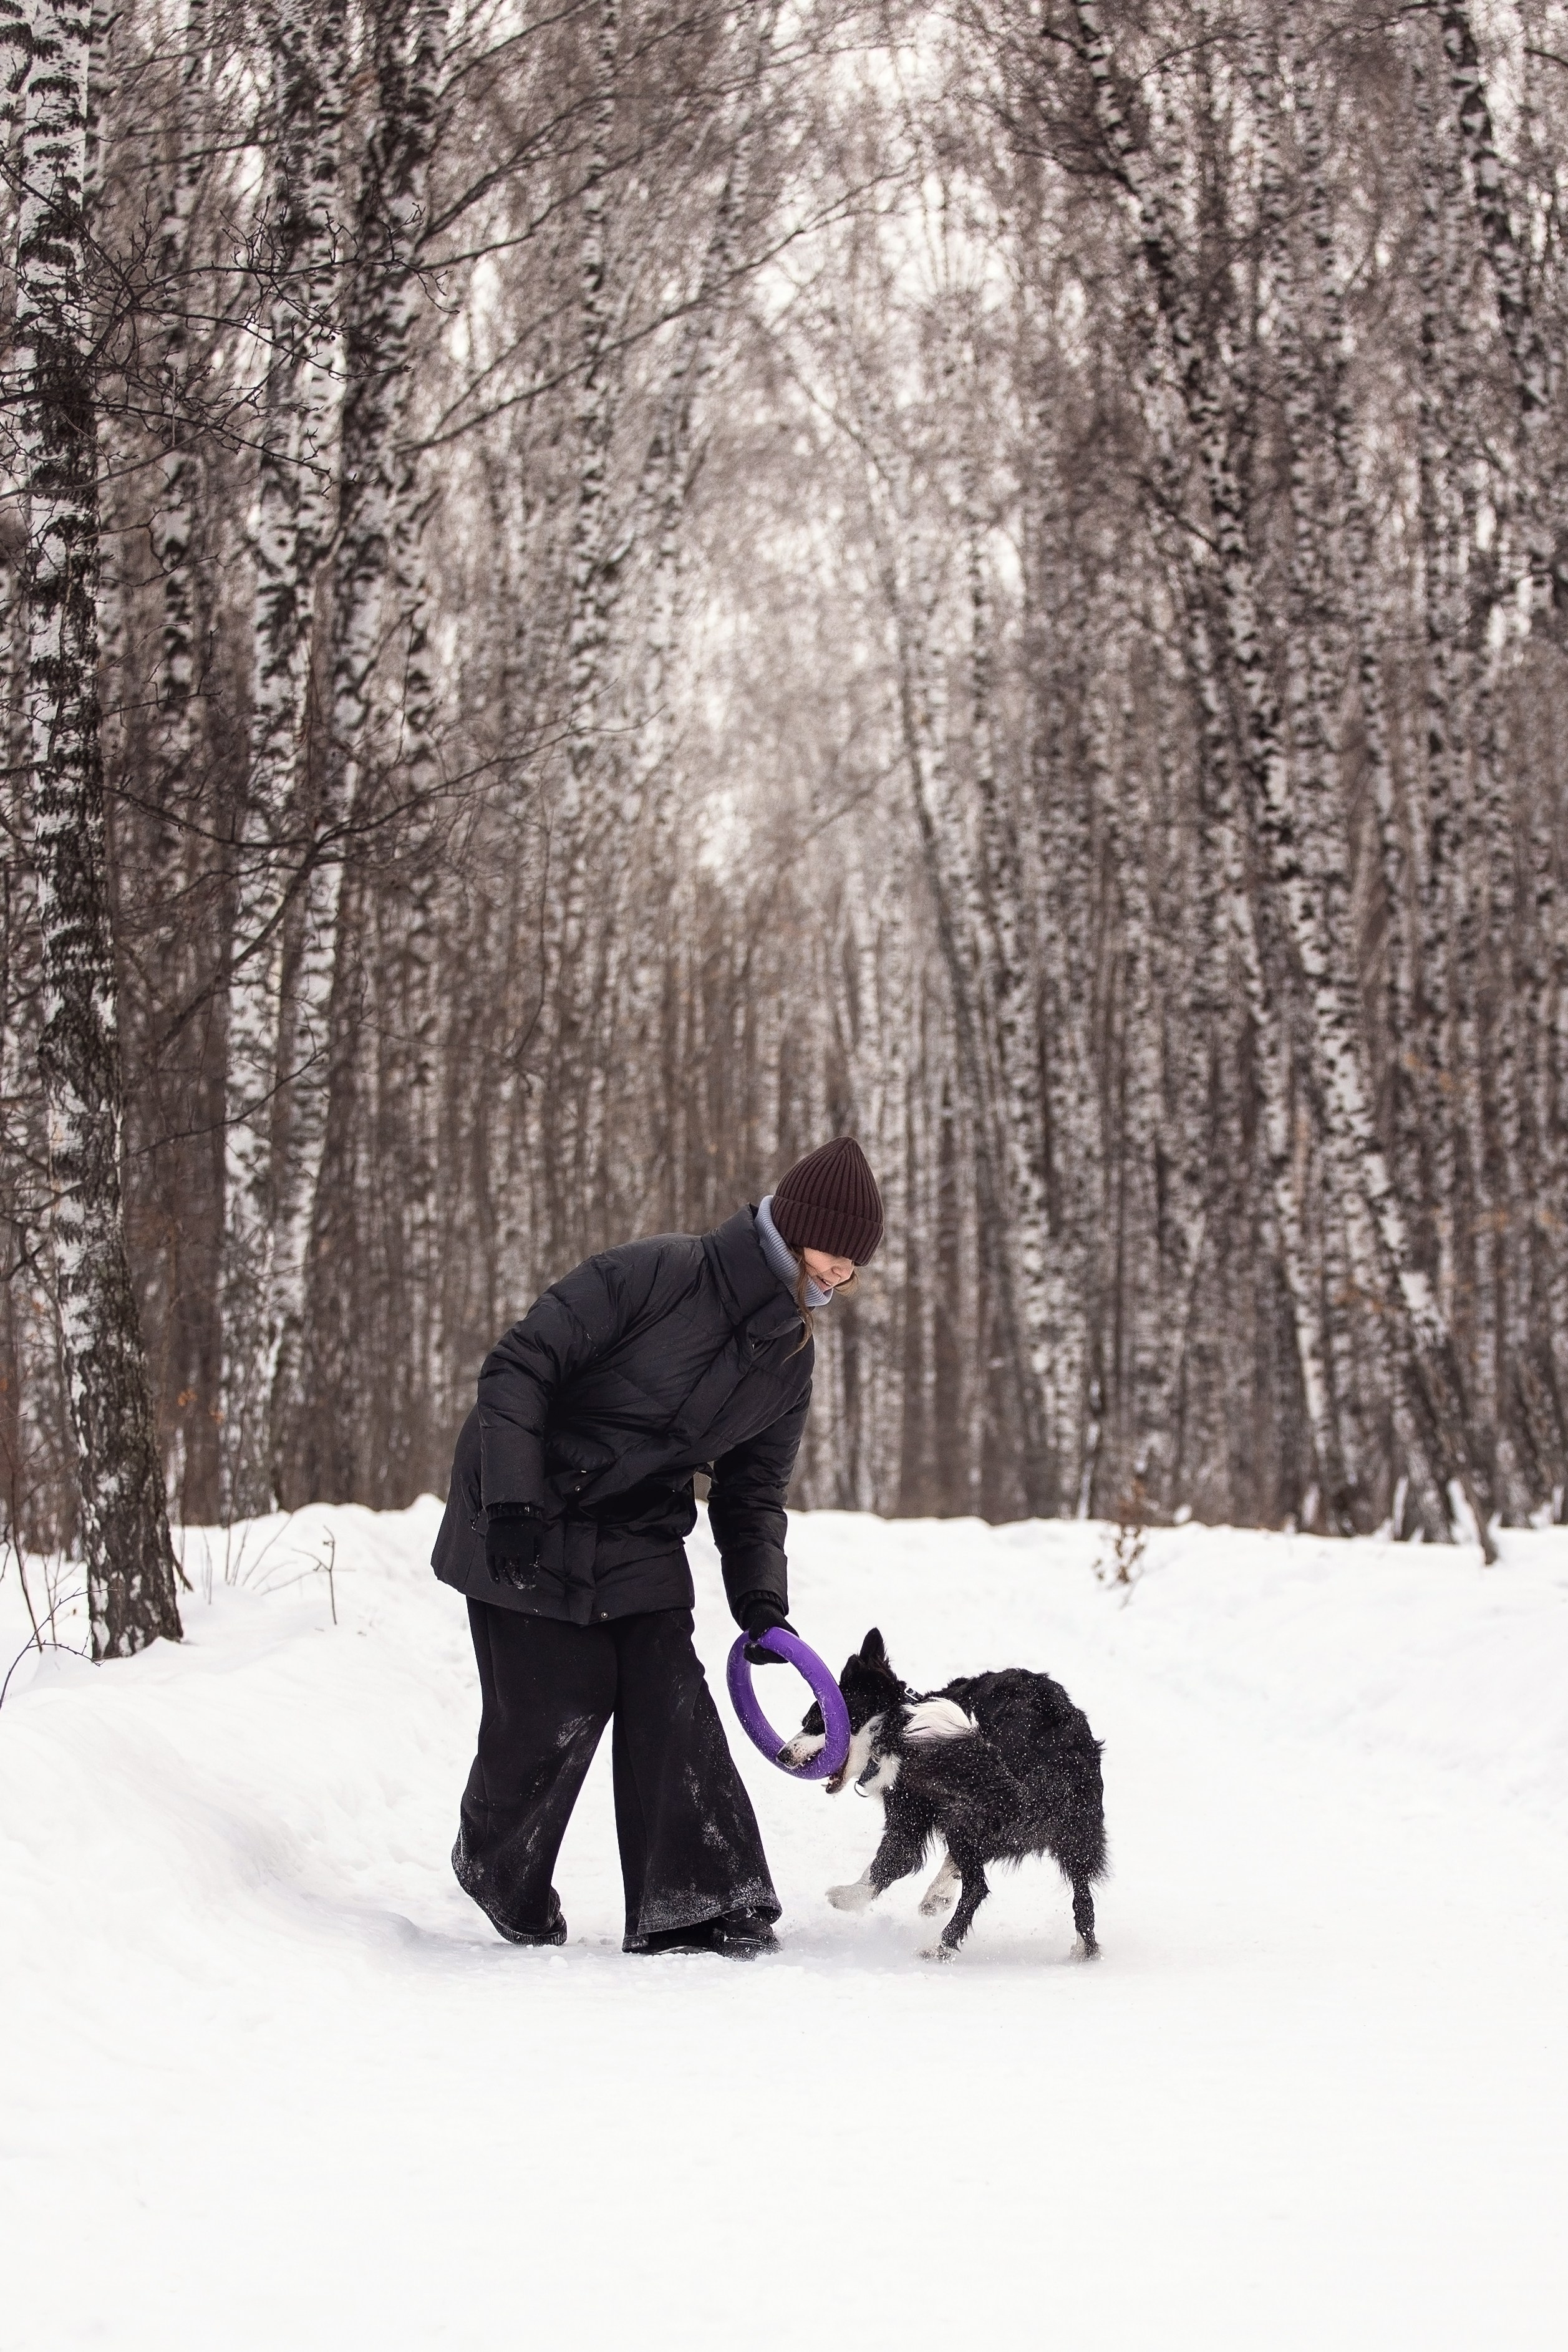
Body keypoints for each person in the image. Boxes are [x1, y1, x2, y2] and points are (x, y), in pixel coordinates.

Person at [432, 1135, 884, 1959]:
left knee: (669, 1694)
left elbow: (752, 1497)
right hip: (523, 1504)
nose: (840, 1275)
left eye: (854, 1266)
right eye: (834, 1255)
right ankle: (496, 1866)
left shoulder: (787, 1357)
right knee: (550, 1711)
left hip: (637, 1525)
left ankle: (703, 1897)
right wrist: (509, 1500)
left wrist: (760, 1604)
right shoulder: (656, 1273)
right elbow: (516, 1369)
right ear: (794, 1229)